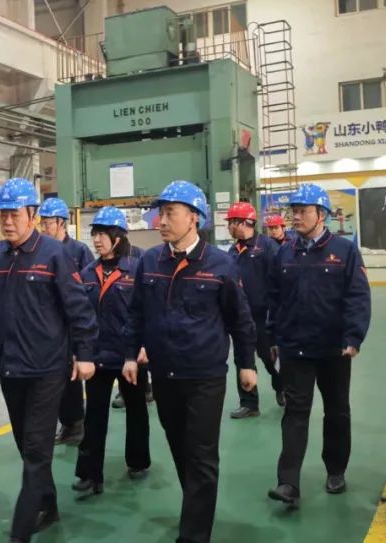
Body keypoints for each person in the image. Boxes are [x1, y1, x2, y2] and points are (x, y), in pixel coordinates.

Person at [0, 178, 98, 543]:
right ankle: (47, 505)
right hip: (10, 367)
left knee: (37, 447)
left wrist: (84, 354)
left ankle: (20, 530)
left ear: (32, 215)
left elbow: (79, 308)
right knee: (25, 443)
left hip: (48, 367)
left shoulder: (54, 254)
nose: (7, 221)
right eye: (2, 214)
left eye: (14, 214)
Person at [122, 180, 258, 543]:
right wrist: (130, 354)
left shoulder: (220, 264)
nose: (161, 221)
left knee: (201, 454)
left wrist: (246, 364)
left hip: (204, 376)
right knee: (179, 445)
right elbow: (136, 313)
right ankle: (196, 507)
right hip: (164, 374)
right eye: (160, 213)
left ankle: (194, 534)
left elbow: (240, 319)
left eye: (170, 213)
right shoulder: (151, 261)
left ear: (194, 217)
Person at [265, 183, 372, 510]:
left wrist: (353, 337)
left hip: (333, 349)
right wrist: (272, 338)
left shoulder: (344, 250)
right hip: (295, 348)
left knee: (336, 410)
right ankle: (288, 483)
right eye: (294, 211)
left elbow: (358, 295)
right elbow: (274, 298)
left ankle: (336, 469)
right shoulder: (285, 252)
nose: (295, 217)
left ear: (321, 214)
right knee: (295, 413)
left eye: (302, 211)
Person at [73, 206, 151, 497]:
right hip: (97, 357)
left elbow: (148, 311)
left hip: (129, 355)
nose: (96, 240)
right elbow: (80, 316)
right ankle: (89, 474)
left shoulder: (138, 267)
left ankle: (138, 460)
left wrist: (143, 346)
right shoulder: (87, 273)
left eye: (102, 234)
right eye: (94, 234)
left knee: (136, 409)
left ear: (117, 237)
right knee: (93, 415)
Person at [39, 196, 95, 446]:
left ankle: (75, 423)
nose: (43, 227)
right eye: (41, 222)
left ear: (61, 223)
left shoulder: (78, 251)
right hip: (49, 325)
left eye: (48, 222)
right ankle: (65, 422)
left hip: (71, 324)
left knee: (71, 376)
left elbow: (87, 289)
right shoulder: (41, 250)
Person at [226, 201, 283, 419]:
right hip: (241, 317)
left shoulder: (267, 247)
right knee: (243, 359)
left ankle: (282, 387)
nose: (229, 227)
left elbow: (279, 282)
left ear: (246, 222)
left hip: (263, 317)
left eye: (232, 222)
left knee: (269, 359)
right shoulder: (232, 251)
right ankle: (249, 403)